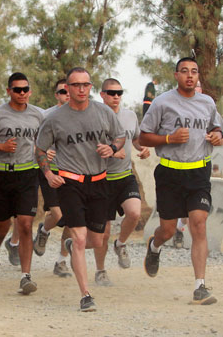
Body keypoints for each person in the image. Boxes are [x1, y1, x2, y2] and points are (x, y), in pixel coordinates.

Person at [35, 67, 125, 312]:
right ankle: (86, 294)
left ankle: (71, 247)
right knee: (80, 237)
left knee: (96, 240)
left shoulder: (103, 112)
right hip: (69, 183)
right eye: (76, 85)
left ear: (90, 86)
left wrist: (112, 148)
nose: (81, 89)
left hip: (99, 181)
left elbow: (119, 136)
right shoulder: (54, 118)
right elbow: (40, 150)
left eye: (86, 84)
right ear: (68, 88)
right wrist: (48, 173)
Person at [140, 57, 221, 305]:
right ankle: (154, 247)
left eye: (194, 71)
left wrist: (217, 135)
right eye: (184, 71)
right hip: (169, 173)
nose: (189, 75)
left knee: (198, 223)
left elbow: (217, 128)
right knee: (167, 229)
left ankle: (200, 286)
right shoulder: (162, 102)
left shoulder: (207, 103)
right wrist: (168, 140)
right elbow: (144, 137)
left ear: (198, 76)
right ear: (176, 75)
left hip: (198, 172)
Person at [0, 72, 43, 295]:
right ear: (9, 91)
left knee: (26, 224)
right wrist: (0, 148)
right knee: (2, 226)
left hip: (27, 174)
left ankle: (25, 276)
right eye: (17, 89)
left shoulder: (38, 115)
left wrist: (47, 153)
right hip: (1, 175)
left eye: (26, 89)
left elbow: (45, 140)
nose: (22, 93)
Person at [92, 78, 150, 286]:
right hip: (101, 179)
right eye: (111, 93)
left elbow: (134, 138)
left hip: (124, 176)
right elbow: (87, 147)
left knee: (134, 213)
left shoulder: (129, 115)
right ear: (102, 95)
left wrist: (141, 149)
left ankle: (121, 243)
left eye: (119, 93)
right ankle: (100, 271)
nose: (116, 97)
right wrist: (112, 152)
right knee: (103, 231)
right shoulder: (93, 117)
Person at [32, 78, 73, 278]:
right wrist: (44, 150)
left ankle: (61, 261)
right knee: (57, 215)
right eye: (62, 92)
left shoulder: (81, 115)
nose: (66, 95)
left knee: (72, 218)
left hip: (73, 172)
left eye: (69, 91)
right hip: (49, 170)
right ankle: (44, 230)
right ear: (56, 95)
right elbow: (33, 142)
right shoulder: (45, 115)